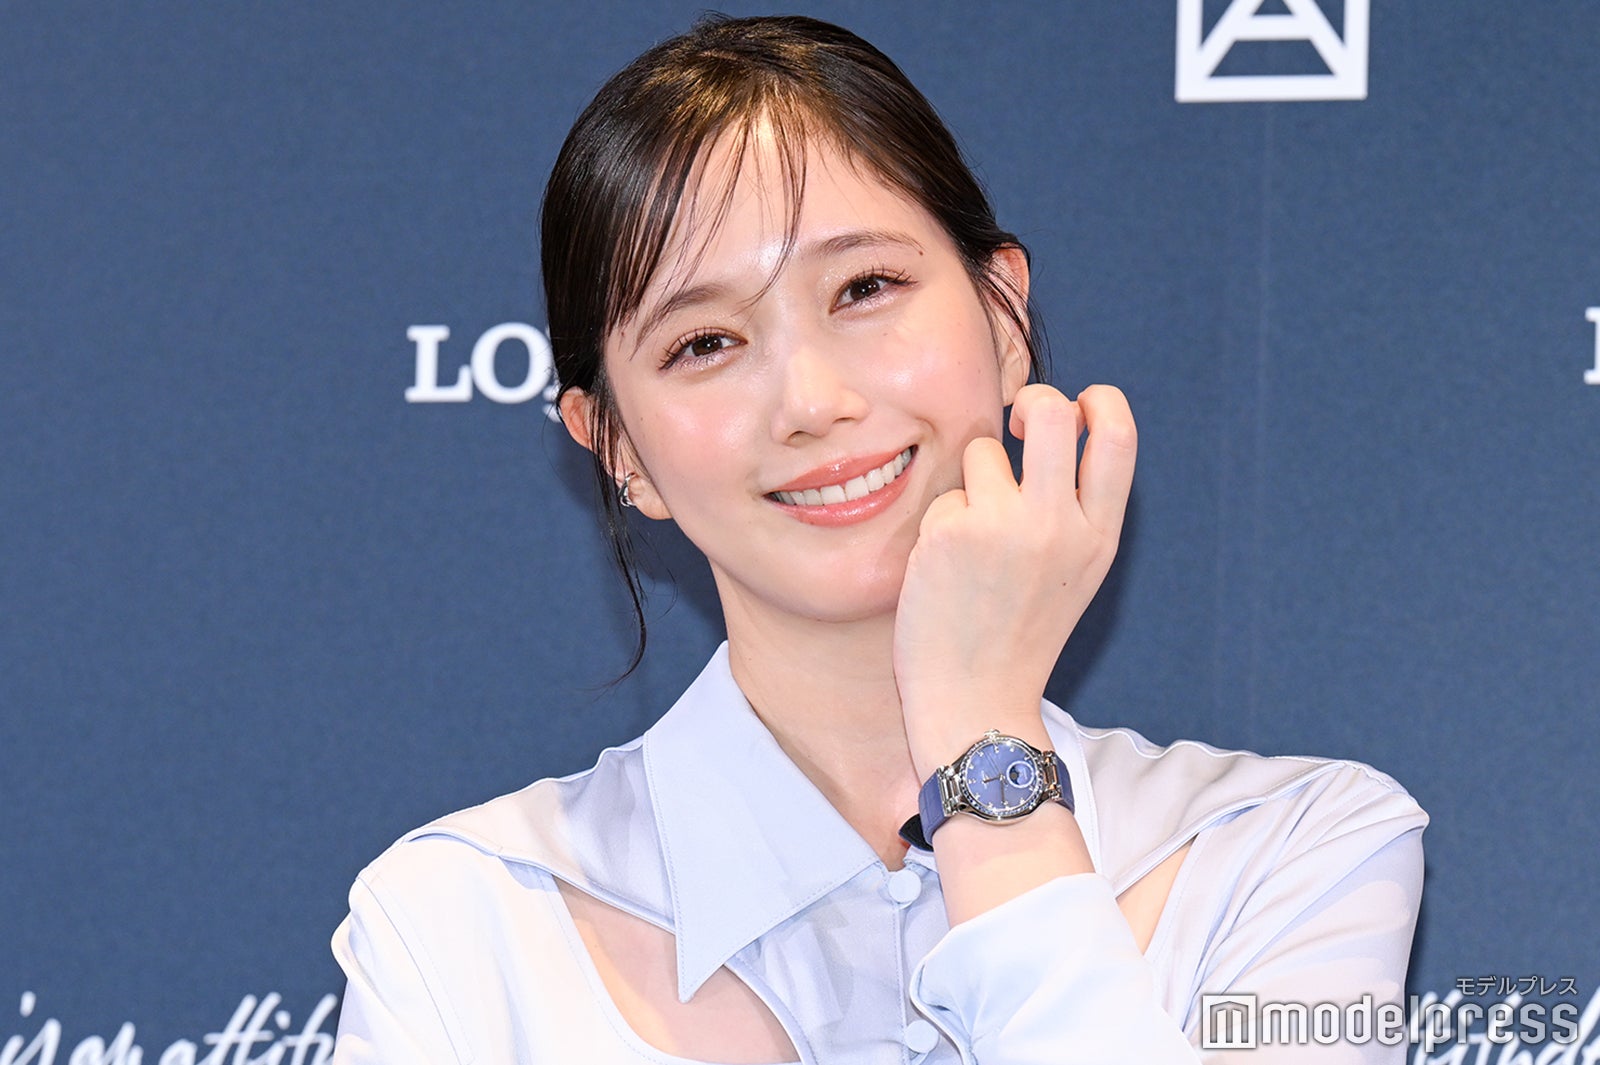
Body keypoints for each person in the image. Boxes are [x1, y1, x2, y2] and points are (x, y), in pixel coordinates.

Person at [331, 14, 1426, 1063]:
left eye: (864, 288)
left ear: (1003, 316)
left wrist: (981, 738)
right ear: (615, 444)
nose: (810, 400)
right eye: (705, 343)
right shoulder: (463, 927)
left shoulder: (1288, 854)